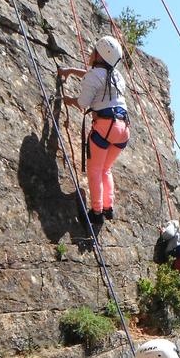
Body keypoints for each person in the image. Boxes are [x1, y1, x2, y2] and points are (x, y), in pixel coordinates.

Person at [59, 35, 129, 225]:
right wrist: (71, 71)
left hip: (105, 126)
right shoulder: (117, 76)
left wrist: (68, 100)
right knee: (106, 169)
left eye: (94, 51)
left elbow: (83, 103)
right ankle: (108, 207)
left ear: (99, 55)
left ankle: (96, 212)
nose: (91, 53)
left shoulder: (95, 75)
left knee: (95, 170)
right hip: (123, 129)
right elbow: (96, 77)